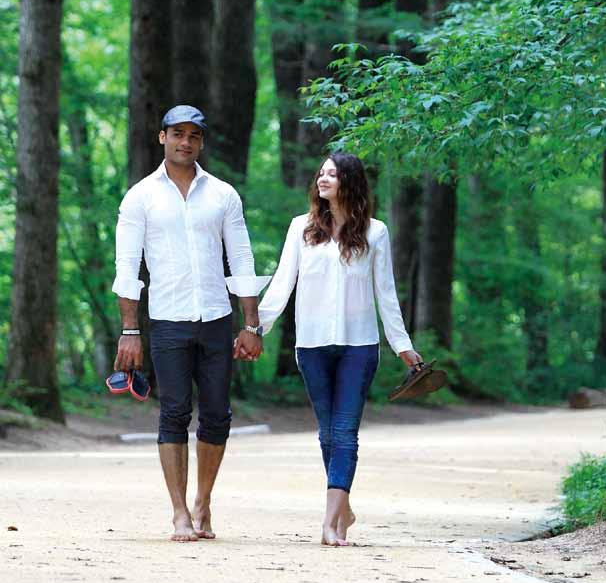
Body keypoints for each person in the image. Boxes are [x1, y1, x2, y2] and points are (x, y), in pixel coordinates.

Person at [111, 105, 269, 542]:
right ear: (162, 137)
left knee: (218, 414)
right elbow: (127, 267)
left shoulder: (222, 195)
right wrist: (130, 330)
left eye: (194, 136)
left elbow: (241, 258)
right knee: (174, 412)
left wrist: (250, 324)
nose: (186, 141)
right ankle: (179, 511)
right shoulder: (140, 197)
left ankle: (203, 501)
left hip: (217, 319)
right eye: (177, 133)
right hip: (167, 321)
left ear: (201, 142)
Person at [258, 152, 424, 546]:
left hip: (359, 346)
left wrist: (402, 345)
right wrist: (255, 328)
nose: (323, 178)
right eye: (321, 173)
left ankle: (330, 523)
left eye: (332, 174)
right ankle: (343, 506)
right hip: (311, 345)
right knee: (328, 434)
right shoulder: (301, 228)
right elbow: (282, 284)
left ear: (349, 181)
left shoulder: (375, 232)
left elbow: (386, 294)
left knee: (345, 432)